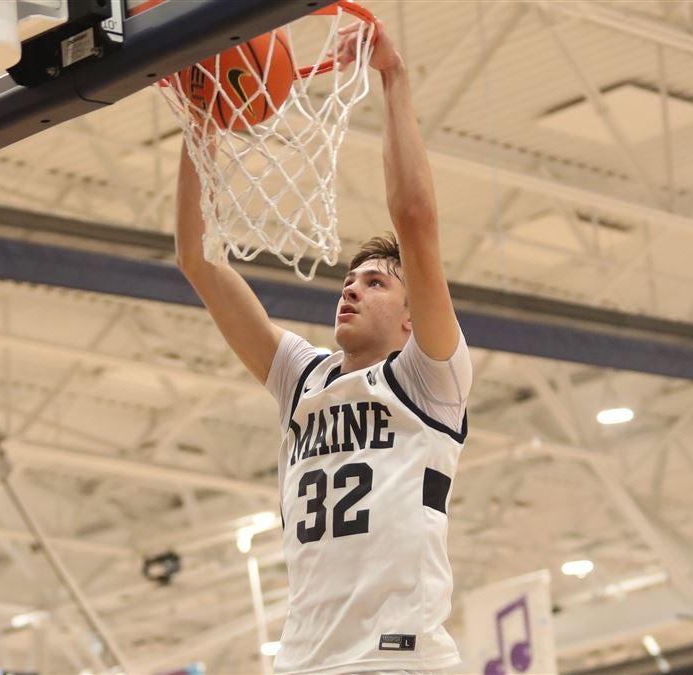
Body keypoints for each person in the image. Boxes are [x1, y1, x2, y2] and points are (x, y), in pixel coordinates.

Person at [174, 20, 471, 675]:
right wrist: (202, 128)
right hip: (305, 660)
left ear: (409, 318)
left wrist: (393, 79)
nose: (352, 290)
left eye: (376, 282)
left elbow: (416, 222)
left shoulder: (429, 376)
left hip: (400, 659)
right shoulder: (300, 377)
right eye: (347, 280)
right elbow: (198, 259)